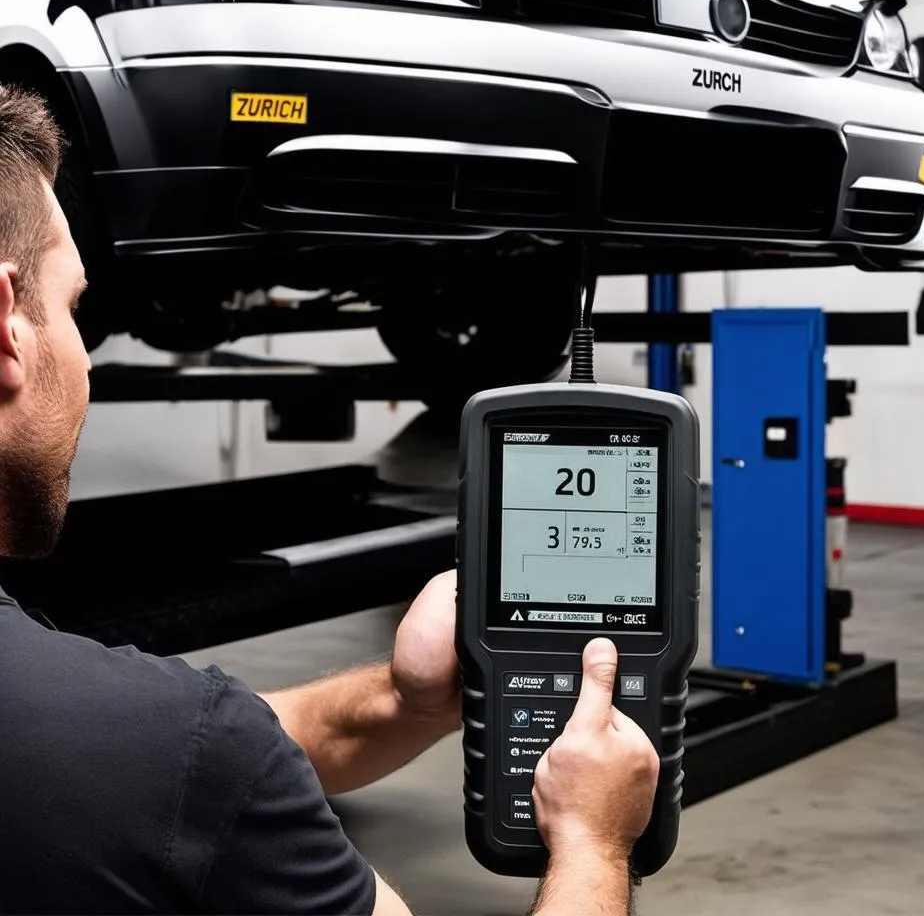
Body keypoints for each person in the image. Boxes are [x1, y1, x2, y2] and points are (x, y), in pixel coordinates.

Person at [0, 85, 662, 915]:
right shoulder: (166, 747)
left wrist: (405, 699)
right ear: (7, 329)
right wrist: (596, 846)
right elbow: (188, 758)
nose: (88, 357)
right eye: (72, 308)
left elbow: (169, 758)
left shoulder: (120, 736)